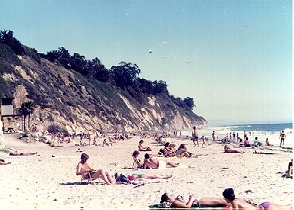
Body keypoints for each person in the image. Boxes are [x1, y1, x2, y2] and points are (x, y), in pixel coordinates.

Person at [160, 193, 228, 208]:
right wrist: (191, 199)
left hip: (198, 199)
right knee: (221, 202)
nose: (172, 195)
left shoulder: (175, 200)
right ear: (168, 200)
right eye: (170, 196)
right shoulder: (175, 202)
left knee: (220, 200)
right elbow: (187, 207)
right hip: (198, 202)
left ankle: (233, 202)